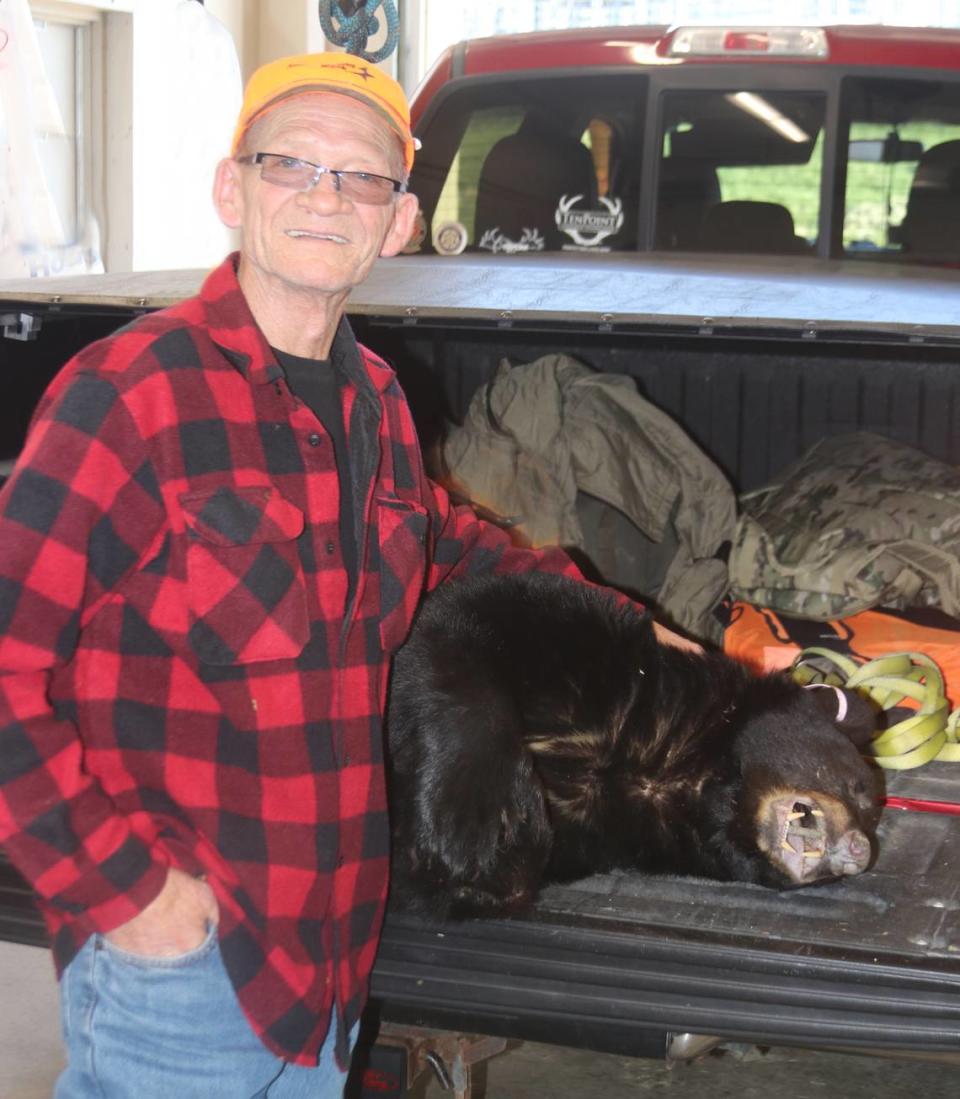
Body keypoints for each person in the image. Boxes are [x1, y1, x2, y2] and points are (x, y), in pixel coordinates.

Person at [0, 52, 695, 1098]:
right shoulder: (129, 394)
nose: (326, 196)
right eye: (292, 165)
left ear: (400, 221)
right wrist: (127, 891)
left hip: (328, 957)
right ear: (233, 189)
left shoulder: (371, 397)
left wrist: (631, 627)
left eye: (362, 176)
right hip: (187, 968)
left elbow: (450, 544)